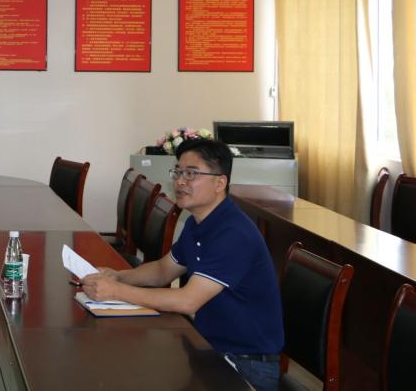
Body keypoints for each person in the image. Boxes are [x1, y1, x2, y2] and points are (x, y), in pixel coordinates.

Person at [80, 139, 284, 391]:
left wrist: (116, 291)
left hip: (244, 364)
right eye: (178, 172)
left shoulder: (233, 234)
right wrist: (119, 276)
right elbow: (163, 270)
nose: (180, 181)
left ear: (220, 183)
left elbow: (188, 301)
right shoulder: (198, 223)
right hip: (208, 346)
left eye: (191, 174)